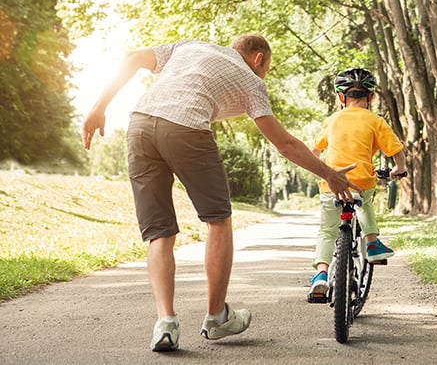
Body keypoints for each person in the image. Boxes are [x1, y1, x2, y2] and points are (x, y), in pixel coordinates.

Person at [81, 34, 360, 352]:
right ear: (258, 59)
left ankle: (166, 322)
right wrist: (329, 175)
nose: (264, 75)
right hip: (186, 128)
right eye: (266, 68)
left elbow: (131, 57)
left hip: (140, 125)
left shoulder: (189, 46)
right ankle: (216, 317)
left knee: (159, 232)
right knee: (218, 220)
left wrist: (98, 107)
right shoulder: (251, 80)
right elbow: (284, 143)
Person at [308, 67, 407, 300]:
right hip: (361, 180)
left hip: (331, 182)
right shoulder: (376, 120)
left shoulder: (332, 120)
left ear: (341, 97)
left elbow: (314, 151)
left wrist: (320, 171)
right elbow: (396, 151)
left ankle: (321, 275)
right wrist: (399, 169)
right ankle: (372, 243)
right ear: (370, 97)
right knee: (365, 204)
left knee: (327, 230)